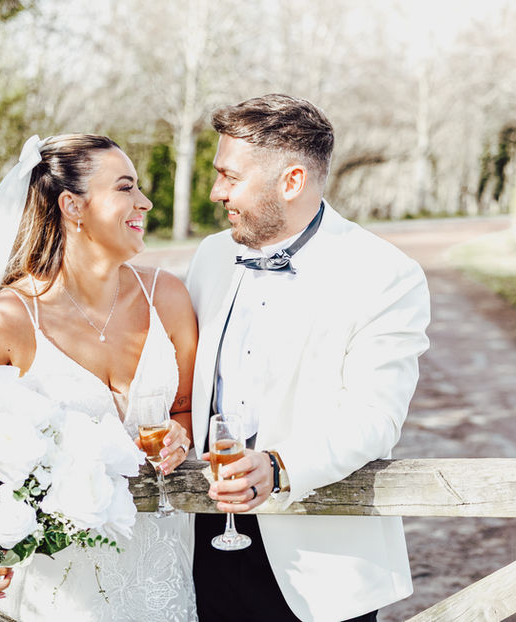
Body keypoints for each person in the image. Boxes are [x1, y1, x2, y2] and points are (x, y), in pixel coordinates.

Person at [0, 134, 199, 621]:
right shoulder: (11, 318)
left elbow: (184, 408)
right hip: (54, 590)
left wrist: (181, 432)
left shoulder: (169, 298)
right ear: (73, 206)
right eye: (126, 187)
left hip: (161, 573)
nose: (145, 201)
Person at [186, 94, 431, 621]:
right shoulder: (209, 257)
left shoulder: (384, 273)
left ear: (291, 182)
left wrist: (278, 468)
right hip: (203, 535)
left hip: (321, 558)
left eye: (231, 177)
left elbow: (375, 418)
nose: (215, 191)